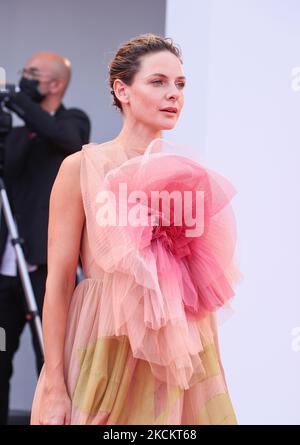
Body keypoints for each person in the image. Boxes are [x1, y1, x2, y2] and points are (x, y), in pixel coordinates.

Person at [30, 34, 241, 425]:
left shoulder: (188, 174)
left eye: (180, 84)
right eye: (158, 82)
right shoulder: (82, 167)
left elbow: (197, 291)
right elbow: (58, 283)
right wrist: (52, 382)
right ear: (122, 90)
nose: (173, 94)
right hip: (102, 349)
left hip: (174, 365)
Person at [0, 51, 90, 425]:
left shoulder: (73, 122)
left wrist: (14, 97)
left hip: (47, 271)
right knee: (1, 350)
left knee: (51, 357)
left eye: (32, 74)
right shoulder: (20, 134)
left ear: (55, 84)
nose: (24, 79)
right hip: (6, 275)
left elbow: (63, 138)